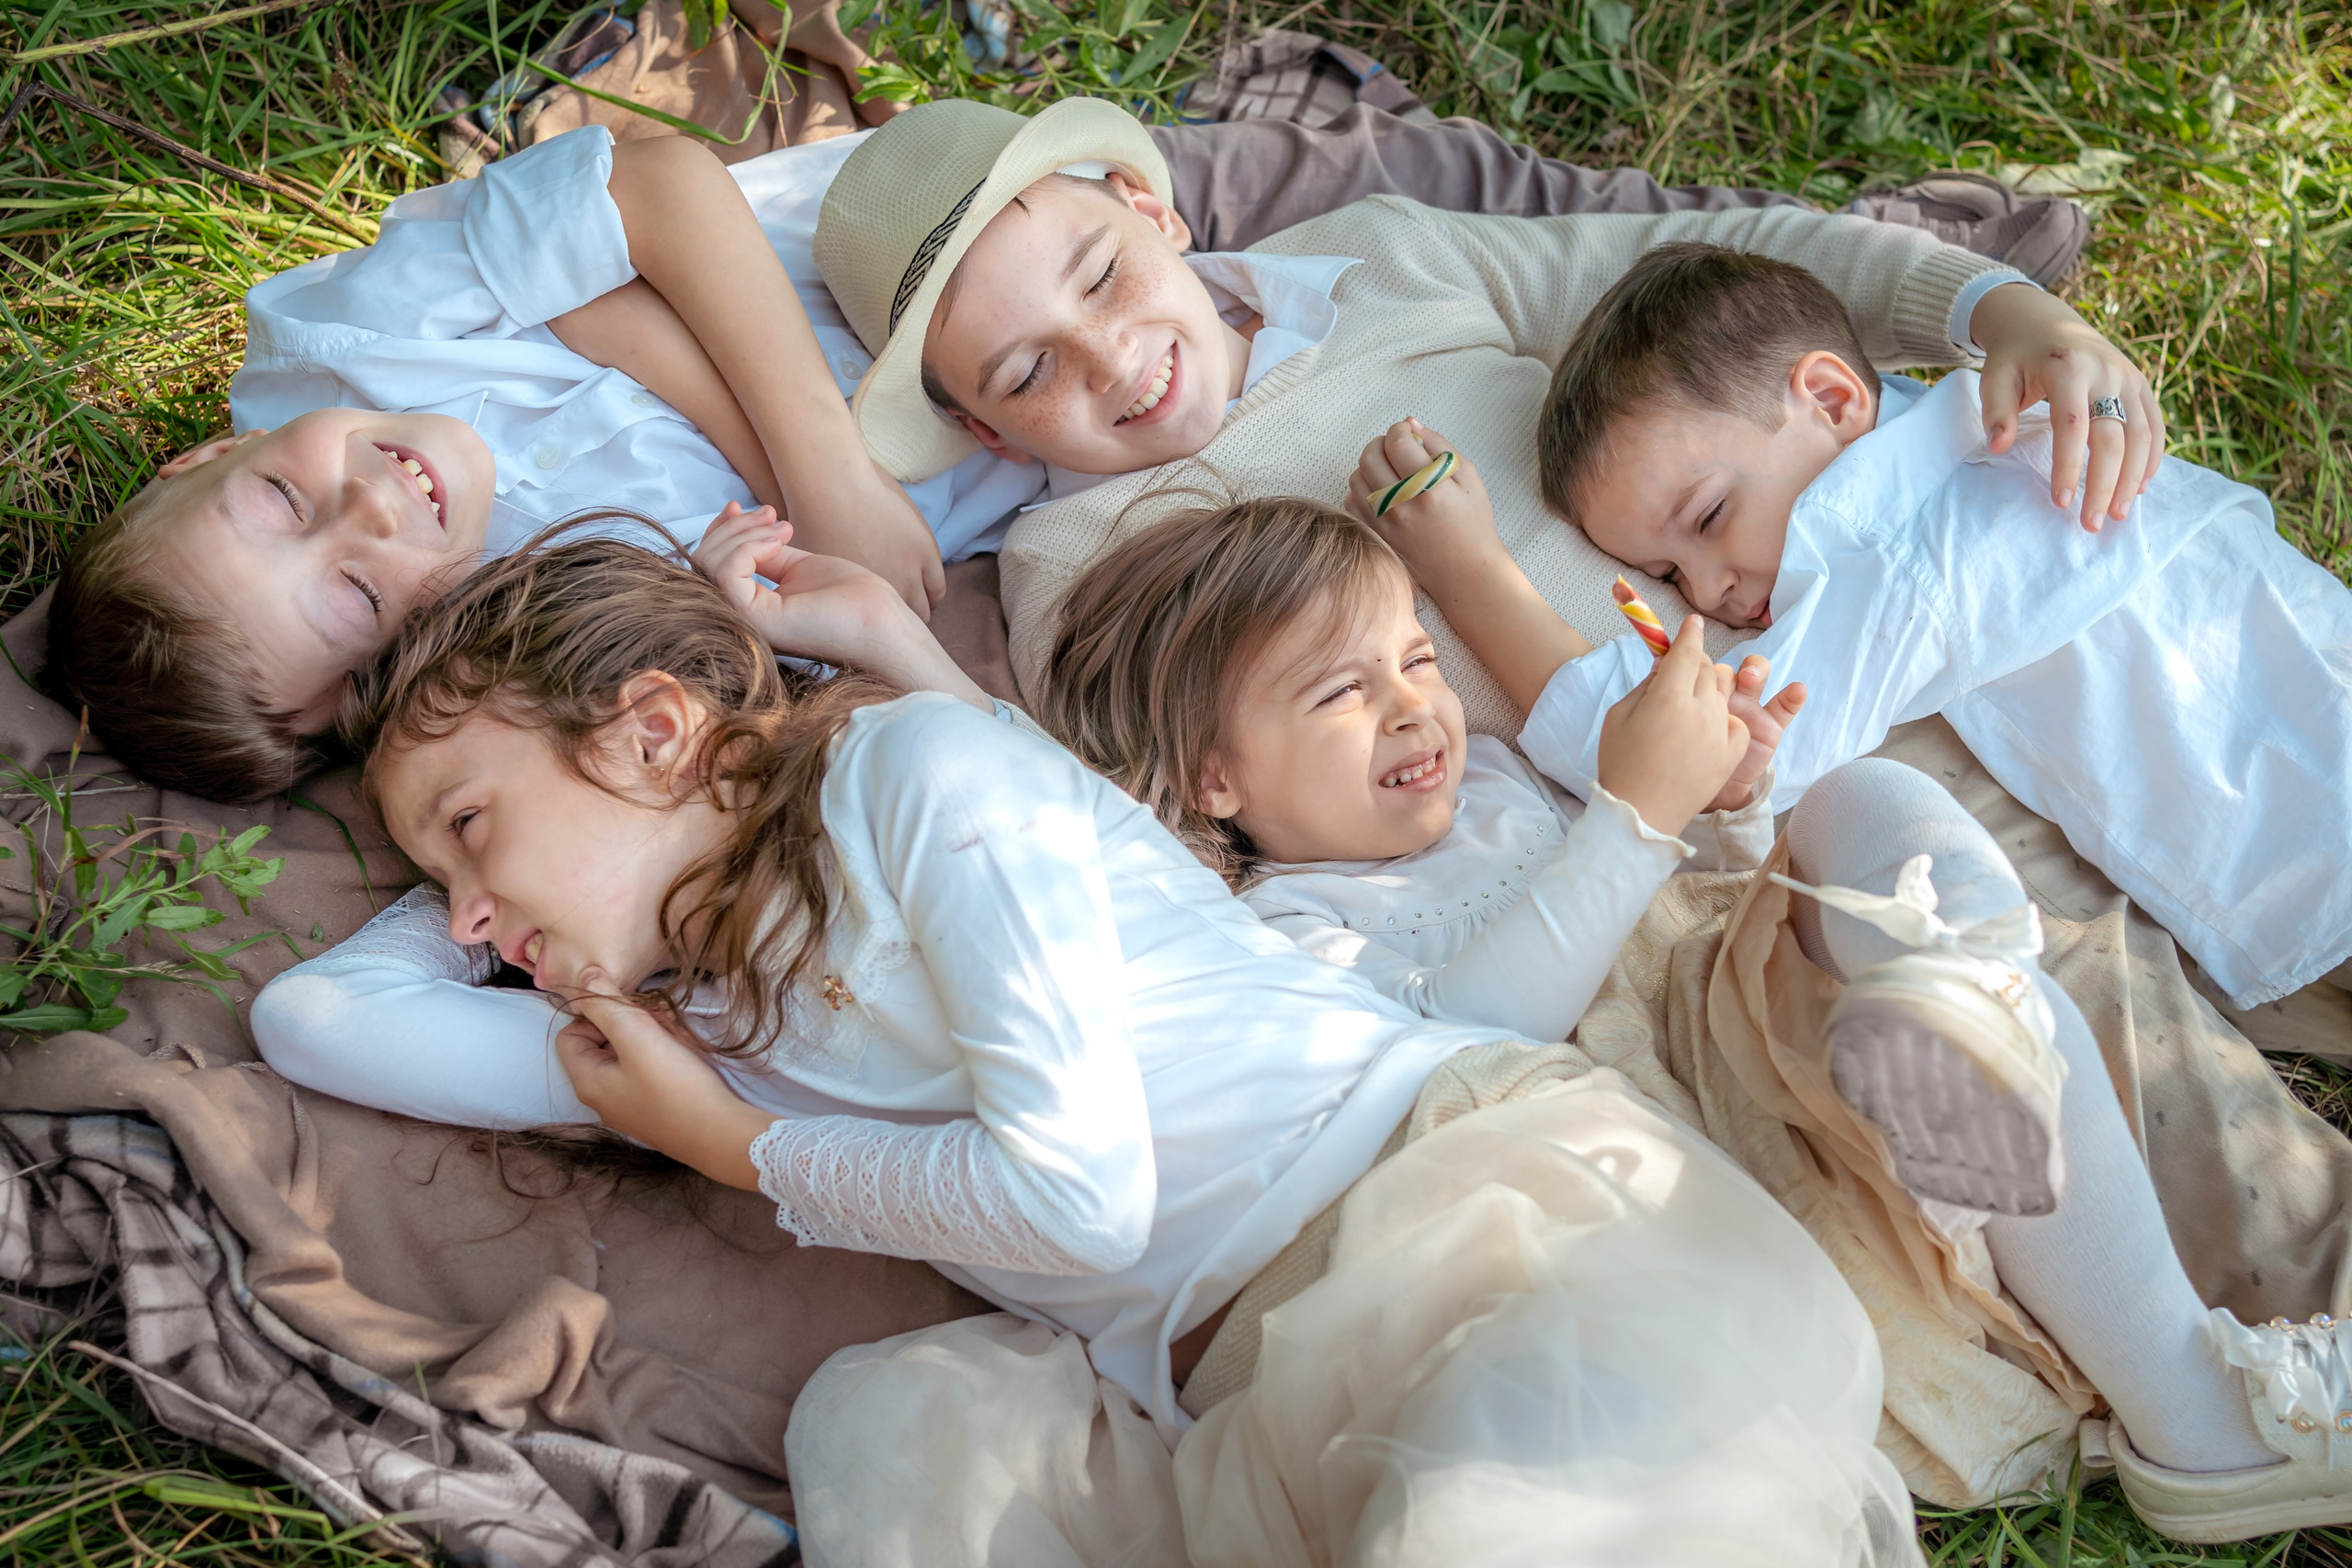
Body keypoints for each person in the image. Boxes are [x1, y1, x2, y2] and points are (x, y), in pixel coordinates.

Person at [300, 527, 1919, 1563]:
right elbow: (316, 1018)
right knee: (884, 1431)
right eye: (437, 882)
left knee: (1500, 1520)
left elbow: (1084, 1202)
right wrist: (508, 890)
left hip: (1477, 1221)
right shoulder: (687, 1023)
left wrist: (727, 1146)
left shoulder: (917, 781)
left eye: (469, 831)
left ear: (655, 728)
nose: (462, 926)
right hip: (1237, 1389)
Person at [40, 104, 2064, 806]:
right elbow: (602, 313)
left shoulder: (330, 346)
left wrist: (823, 464)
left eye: (278, 487)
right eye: (361, 584)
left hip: (915, 283)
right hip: (1032, 438)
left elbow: (645, 197)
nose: (375, 498)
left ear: (193, 467)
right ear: (387, 666)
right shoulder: (521, 620)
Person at [1031, 493, 2352, 1546]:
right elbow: (1466, 1037)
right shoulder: (1285, 933)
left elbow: (1711, 880)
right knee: (1852, 885)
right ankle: (2195, 1406)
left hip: (1779, 1030)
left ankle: (1966, 990)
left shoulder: (1493, 773)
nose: (1412, 702)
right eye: (1338, 690)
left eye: (1417, 655)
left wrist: (1730, 791)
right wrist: (1637, 814)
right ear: (1213, 776)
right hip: (1671, 1161)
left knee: (1853, 801)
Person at [803, 96, 2160, 722]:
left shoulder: (1382, 254)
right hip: (1637, 842)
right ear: (985, 434)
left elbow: (1711, 265)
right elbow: (1166, 819)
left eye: (1104, 274)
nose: (1107, 359)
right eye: (1025, 374)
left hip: (1860, 627)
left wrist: (1998, 313)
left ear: (1156, 211)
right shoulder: (1072, 564)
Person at [1367, 242, 2349, 1010]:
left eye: (1707, 519)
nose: (1706, 591)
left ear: (1832, 398)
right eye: (1664, 573)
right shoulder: (1956, 431)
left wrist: (1468, 571)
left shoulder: (1898, 549)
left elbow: (1667, 755)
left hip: (2308, 857)